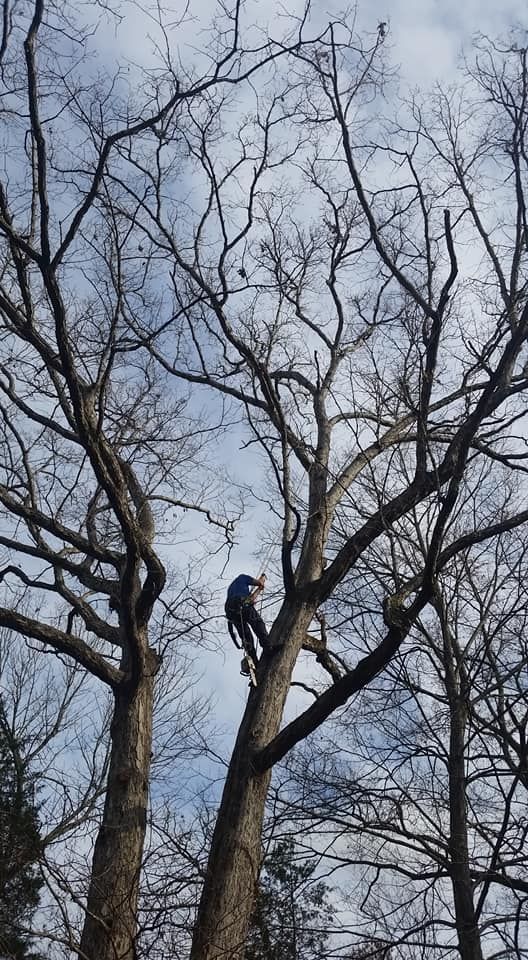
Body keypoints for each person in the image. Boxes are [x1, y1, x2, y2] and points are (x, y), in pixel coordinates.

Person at [224, 573, 269, 665]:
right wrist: (262, 579)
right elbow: (259, 583)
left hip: (230, 610)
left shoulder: (233, 589)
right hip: (240, 602)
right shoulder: (242, 578)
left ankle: (253, 660)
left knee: (246, 635)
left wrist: (259, 590)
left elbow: (251, 599)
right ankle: (267, 645)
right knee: (257, 623)